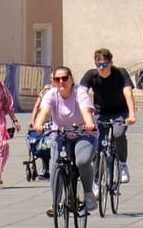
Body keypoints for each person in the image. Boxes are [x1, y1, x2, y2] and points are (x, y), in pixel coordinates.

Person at [30, 66, 99, 213]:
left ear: (71, 79)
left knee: (82, 161)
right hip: (60, 133)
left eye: (64, 78)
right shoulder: (51, 94)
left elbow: (85, 109)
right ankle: (56, 202)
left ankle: (88, 194)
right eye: (57, 79)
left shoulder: (79, 92)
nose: (61, 82)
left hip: (83, 133)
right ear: (53, 81)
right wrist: (39, 124)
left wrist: (89, 123)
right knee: (55, 164)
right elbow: (45, 111)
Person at [80, 48, 138, 181]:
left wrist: (132, 115)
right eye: (98, 65)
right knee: (98, 146)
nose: (101, 68)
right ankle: (96, 182)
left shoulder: (120, 73)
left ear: (111, 63)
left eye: (104, 65)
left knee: (118, 134)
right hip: (100, 112)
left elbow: (128, 93)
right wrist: (83, 117)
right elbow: (81, 94)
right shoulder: (91, 75)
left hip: (120, 111)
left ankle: (123, 165)